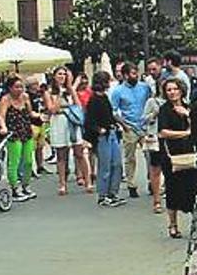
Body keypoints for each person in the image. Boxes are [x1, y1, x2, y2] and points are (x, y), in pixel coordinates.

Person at [156, 78, 197, 237]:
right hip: (171, 155)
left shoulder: (188, 108)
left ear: (181, 90)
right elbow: (163, 132)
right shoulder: (164, 110)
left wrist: (187, 115)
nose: (172, 92)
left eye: (175, 89)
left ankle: (195, 224)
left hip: (190, 153)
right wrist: (185, 134)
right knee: (172, 189)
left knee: (192, 188)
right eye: (169, 90)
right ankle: (173, 225)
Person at [45, 66, 90, 196]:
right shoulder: (49, 92)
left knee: (79, 152)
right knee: (61, 155)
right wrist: (60, 94)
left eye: (64, 74)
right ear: (54, 76)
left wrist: (70, 88)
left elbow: (78, 105)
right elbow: (52, 109)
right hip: (59, 123)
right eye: (59, 74)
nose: (62, 77)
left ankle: (87, 181)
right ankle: (62, 184)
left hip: (71, 122)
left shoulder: (70, 90)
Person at [110, 62, 152, 199]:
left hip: (145, 126)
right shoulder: (118, 91)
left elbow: (152, 102)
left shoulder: (145, 87)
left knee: (150, 155)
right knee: (130, 158)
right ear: (126, 75)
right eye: (133, 74)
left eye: (137, 73)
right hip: (129, 126)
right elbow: (113, 111)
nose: (136, 76)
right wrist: (123, 125)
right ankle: (131, 184)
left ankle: (152, 181)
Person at [85, 71, 125, 207]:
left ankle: (113, 193)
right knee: (105, 166)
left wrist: (117, 124)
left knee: (117, 164)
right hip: (103, 136)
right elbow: (89, 121)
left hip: (111, 133)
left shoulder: (105, 98)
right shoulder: (94, 100)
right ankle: (103, 195)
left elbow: (109, 115)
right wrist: (98, 130)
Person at [0, 76, 39, 202]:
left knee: (28, 161)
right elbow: (1, 116)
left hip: (26, 130)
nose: (19, 89)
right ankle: (15, 188)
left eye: (21, 87)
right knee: (14, 162)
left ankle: (26, 185)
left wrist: (40, 115)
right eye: (16, 87)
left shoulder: (25, 97)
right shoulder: (5, 99)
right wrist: (3, 127)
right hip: (13, 133)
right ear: (10, 88)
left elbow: (30, 113)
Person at [142, 85, 165, 212]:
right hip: (155, 138)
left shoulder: (177, 102)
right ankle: (157, 200)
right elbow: (143, 119)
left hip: (170, 138)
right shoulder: (152, 101)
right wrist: (154, 114)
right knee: (155, 169)